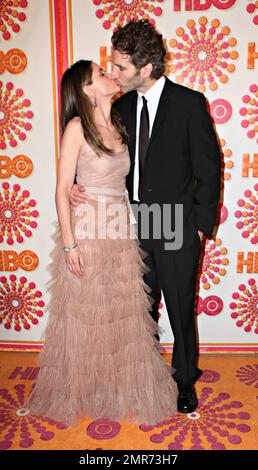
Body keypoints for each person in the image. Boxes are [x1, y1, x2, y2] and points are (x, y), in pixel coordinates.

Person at [70, 21, 221, 414]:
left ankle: (185, 379)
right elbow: (95, 149)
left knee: (180, 304)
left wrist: (202, 224)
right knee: (140, 307)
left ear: (146, 67)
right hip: (129, 222)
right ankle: (147, 374)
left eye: (120, 66)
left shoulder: (189, 103)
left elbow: (209, 166)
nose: (114, 73)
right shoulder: (119, 107)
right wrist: (73, 185)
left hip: (174, 221)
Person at [26, 59, 178, 427]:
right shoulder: (78, 127)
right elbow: (63, 191)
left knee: (119, 314)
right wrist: (69, 244)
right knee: (87, 315)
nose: (110, 74)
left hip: (119, 229)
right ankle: (87, 388)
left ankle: (114, 386)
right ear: (89, 90)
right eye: (101, 73)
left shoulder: (120, 123)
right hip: (88, 232)